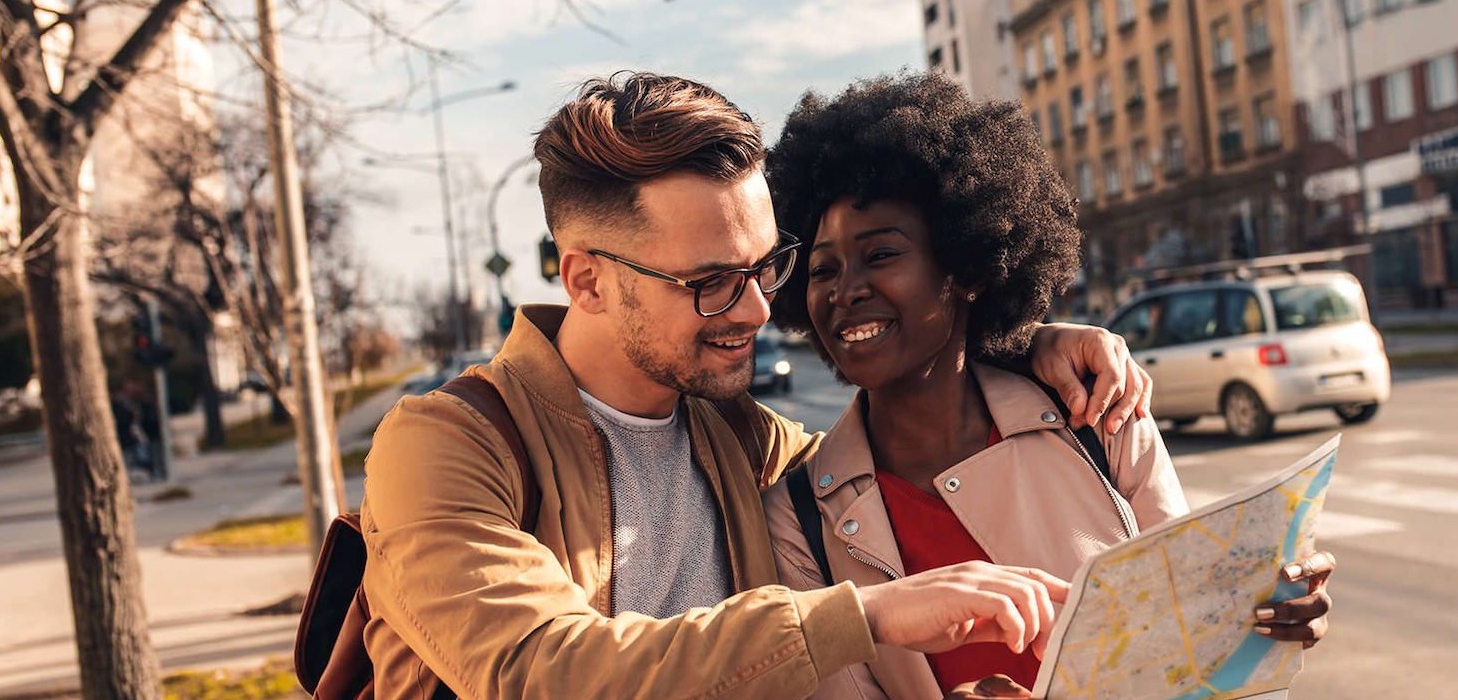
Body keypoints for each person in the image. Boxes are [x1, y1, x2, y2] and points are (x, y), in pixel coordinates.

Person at [357, 72, 1158, 699]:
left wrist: (1021, 343)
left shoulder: (743, 439)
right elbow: (539, 669)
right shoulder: (448, 443)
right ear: (587, 281)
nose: (756, 309)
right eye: (710, 282)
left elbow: (901, 429)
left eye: (765, 266)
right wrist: (865, 616)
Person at [760, 73, 1336, 699]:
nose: (845, 290)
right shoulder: (799, 515)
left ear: (967, 269)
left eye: (880, 256)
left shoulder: (1097, 411)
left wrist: (1259, 619)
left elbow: (1192, 643)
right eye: (822, 269)